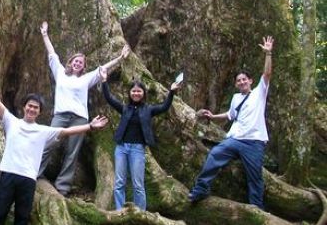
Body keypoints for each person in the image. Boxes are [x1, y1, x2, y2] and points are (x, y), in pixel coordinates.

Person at [0, 63, 108, 225]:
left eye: (36, 108)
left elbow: (67, 132)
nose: (32, 109)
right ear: (24, 107)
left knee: (22, 218)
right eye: (30, 106)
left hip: (28, 179)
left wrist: (90, 126)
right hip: (8, 174)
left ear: (39, 112)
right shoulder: (11, 121)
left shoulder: (43, 131)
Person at [38, 21, 129, 196]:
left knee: (72, 152)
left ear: (83, 66)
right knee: (48, 143)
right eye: (75, 61)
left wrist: (120, 58)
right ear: (70, 62)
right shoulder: (59, 73)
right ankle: (35, 173)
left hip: (79, 119)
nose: (78, 63)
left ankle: (62, 187)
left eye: (81, 62)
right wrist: (44, 34)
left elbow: (104, 68)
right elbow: (52, 53)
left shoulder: (86, 79)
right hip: (61, 116)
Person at [188, 36, 274, 209]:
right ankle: (201, 189)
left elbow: (267, 74)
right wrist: (212, 117)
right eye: (238, 80)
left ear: (250, 81)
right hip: (235, 139)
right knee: (214, 155)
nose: (242, 82)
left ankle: (257, 209)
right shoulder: (236, 98)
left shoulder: (259, 93)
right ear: (236, 84)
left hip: (254, 142)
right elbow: (230, 115)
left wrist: (268, 54)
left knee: (254, 176)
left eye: (244, 79)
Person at [99, 60, 182, 211]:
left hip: (137, 149)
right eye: (133, 91)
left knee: (138, 184)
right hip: (121, 148)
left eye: (139, 91)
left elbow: (164, 107)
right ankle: (120, 212)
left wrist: (171, 92)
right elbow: (110, 99)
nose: (136, 93)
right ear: (130, 93)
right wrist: (104, 81)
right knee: (119, 183)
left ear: (143, 93)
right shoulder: (124, 108)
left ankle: (141, 213)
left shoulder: (148, 109)